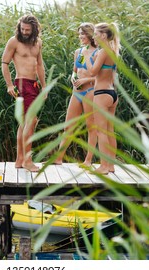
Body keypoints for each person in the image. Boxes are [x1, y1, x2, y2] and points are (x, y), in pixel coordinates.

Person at [1, 14, 46, 172]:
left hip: (34, 85)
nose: (25, 32)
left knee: (25, 123)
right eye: (22, 29)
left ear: (34, 29)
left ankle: (20, 160)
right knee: (31, 122)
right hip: (21, 83)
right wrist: (8, 85)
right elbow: (4, 63)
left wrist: (44, 86)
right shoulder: (14, 41)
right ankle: (28, 161)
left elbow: (39, 65)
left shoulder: (38, 42)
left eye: (28, 30)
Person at [54, 23, 98, 166]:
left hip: (90, 91)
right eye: (79, 34)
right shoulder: (79, 52)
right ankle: (58, 158)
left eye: (83, 34)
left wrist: (85, 79)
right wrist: (73, 77)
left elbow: (101, 77)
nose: (80, 37)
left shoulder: (98, 53)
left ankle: (88, 160)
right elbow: (75, 69)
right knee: (68, 126)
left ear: (90, 35)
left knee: (91, 127)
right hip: (76, 92)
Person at [85, 22, 121, 174]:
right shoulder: (114, 50)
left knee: (101, 132)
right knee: (110, 131)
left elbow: (93, 72)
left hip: (101, 94)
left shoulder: (103, 51)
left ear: (104, 35)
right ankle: (111, 165)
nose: (94, 36)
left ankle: (104, 166)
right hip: (112, 94)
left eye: (96, 34)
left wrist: (87, 57)